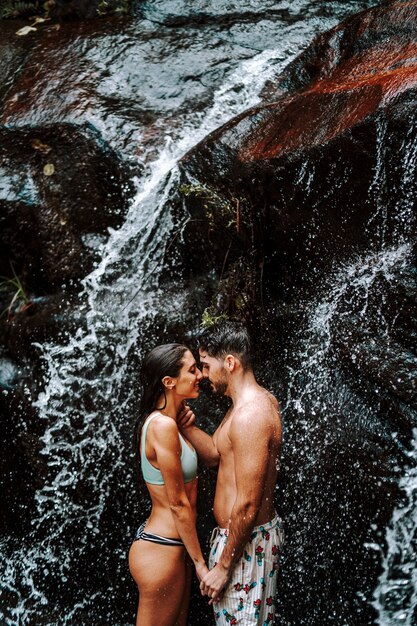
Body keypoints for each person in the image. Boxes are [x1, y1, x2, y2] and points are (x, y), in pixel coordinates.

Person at [178, 321, 284, 625]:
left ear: (230, 363)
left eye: (206, 366)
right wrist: (187, 427)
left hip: (244, 546)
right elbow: (215, 455)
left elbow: (248, 503)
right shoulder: (241, 406)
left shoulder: (252, 414)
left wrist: (224, 567)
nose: (202, 375)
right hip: (236, 543)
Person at [128, 343, 209, 626]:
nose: (200, 375)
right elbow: (177, 502)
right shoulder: (162, 427)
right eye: (192, 369)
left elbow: (212, 456)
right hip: (161, 549)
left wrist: (188, 426)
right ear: (169, 381)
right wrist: (201, 564)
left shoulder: (170, 423)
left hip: (172, 547)